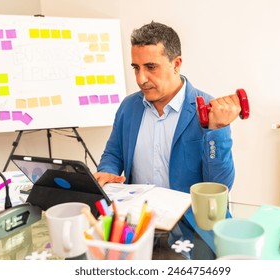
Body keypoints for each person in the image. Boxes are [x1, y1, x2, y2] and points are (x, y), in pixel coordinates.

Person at [93, 21, 241, 257]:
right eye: (136, 68)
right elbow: (113, 153)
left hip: (190, 229)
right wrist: (106, 172)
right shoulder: (129, 107)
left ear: (176, 64)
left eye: (151, 67)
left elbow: (219, 186)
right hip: (138, 226)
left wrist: (217, 131)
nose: (141, 78)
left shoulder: (207, 109)